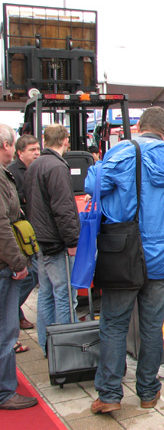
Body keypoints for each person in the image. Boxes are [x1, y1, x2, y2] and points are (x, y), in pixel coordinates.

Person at [86, 107, 164, 414]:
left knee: (114, 325)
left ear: (139, 126)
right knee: (152, 326)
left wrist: (97, 167)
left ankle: (109, 395)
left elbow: (92, 187)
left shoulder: (120, 153)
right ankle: (149, 392)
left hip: (123, 254)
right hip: (162, 256)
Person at [25, 124, 79, 356]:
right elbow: (63, 208)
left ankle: (47, 345)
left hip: (41, 239)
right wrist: (72, 241)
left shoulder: (35, 165)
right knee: (65, 296)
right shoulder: (57, 167)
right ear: (65, 140)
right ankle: (66, 352)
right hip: (57, 242)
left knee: (46, 295)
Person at [0, 123, 38, 410]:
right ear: (7, 145)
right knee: (5, 331)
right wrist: (17, 262)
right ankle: (4, 391)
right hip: (4, 264)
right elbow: (2, 225)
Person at [7, 134, 40, 332]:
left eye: (38, 149)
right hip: (19, 234)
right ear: (20, 153)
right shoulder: (12, 172)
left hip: (31, 232)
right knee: (31, 272)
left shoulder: (35, 168)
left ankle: (15, 314)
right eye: (32, 150)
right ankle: (11, 311)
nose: (37, 153)